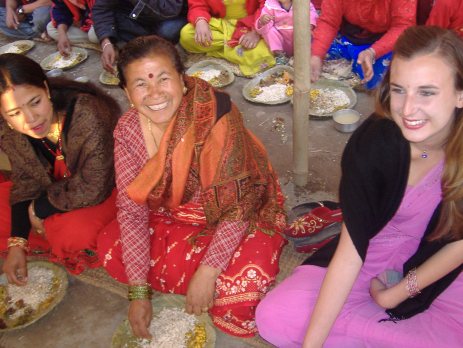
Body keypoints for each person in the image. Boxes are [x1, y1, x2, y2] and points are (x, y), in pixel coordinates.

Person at [256, 26, 463, 347]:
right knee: (277, 316)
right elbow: (350, 255)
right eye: (399, 90)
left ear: (460, 93)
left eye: (426, 92)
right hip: (372, 251)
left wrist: (396, 294)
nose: (408, 110)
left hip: (442, 260)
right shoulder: (374, 145)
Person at [97, 35, 287, 338]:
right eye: (141, 84)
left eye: (163, 79)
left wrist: (208, 271)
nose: (154, 93)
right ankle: (193, 278)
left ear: (183, 81)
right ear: (127, 92)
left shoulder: (217, 115)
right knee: (109, 244)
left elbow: (240, 203)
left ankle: (206, 277)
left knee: (244, 284)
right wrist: (138, 292)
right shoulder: (128, 130)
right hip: (175, 218)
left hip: (235, 212)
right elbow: (132, 211)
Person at [0, 53, 121, 283]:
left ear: (46, 89)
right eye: (15, 113)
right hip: (58, 192)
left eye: (35, 102)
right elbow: (25, 181)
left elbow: (94, 186)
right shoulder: (10, 131)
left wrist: (38, 209)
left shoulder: (87, 112)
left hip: (107, 189)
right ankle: (45, 233)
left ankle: (54, 232)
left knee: (73, 233)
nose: (31, 119)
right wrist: (17, 242)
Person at [310, 0, 416, 90]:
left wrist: (373, 52)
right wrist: (317, 54)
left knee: (379, 81)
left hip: (385, 41)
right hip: (347, 34)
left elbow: (403, 26)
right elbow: (329, 22)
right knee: (317, 59)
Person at [179, 0, 276, 77]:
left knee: (264, 54)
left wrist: (256, 32)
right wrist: (200, 21)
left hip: (249, 25)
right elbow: (197, 5)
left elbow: (267, 5)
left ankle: (220, 50)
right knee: (187, 35)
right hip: (220, 24)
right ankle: (236, 49)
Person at [92, 0, 187, 73]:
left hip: (168, 16)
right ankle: (144, 41)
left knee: (168, 31)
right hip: (137, 17)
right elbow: (101, 9)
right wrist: (106, 43)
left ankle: (141, 42)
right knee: (98, 33)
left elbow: (171, 10)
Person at [255, 0, 318, 64]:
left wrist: (310, 25)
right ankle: (279, 56)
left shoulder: (302, 2)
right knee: (269, 31)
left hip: (297, 36)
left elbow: (312, 13)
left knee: (307, 31)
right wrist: (262, 21)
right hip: (280, 38)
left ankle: (301, 57)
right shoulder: (270, 5)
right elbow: (265, 25)